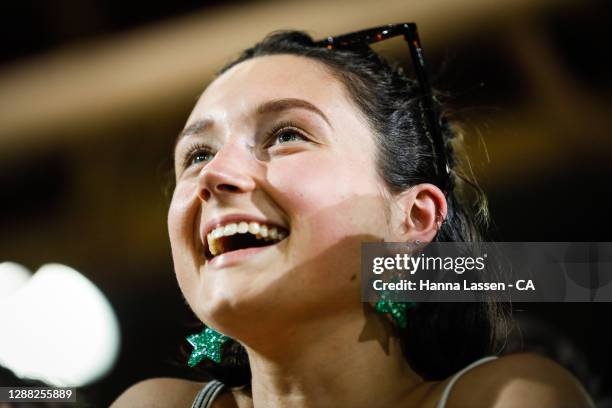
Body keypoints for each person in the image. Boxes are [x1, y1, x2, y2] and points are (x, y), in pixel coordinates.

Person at [112, 25, 594, 407]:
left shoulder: (508, 398)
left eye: (285, 135)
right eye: (197, 155)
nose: (215, 175)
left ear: (414, 218)